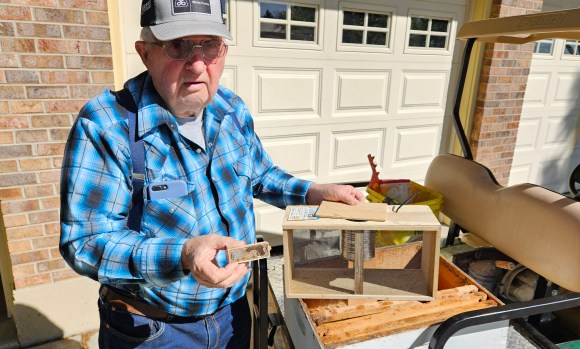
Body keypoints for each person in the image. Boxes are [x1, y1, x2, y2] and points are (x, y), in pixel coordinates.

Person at [59, 0, 365, 348]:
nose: (197, 63)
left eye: (211, 46)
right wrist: (182, 255)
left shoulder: (229, 109)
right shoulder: (106, 125)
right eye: (177, 45)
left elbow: (260, 174)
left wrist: (311, 192)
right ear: (145, 53)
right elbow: (83, 242)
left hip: (233, 312)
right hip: (154, 328)